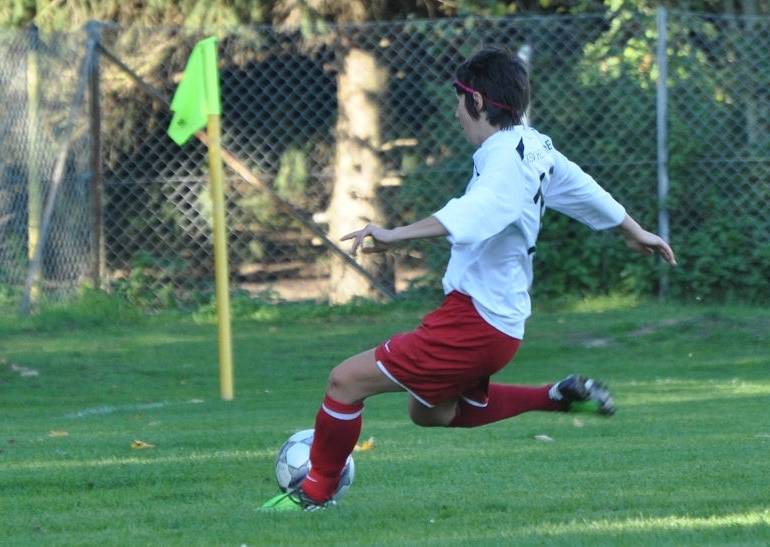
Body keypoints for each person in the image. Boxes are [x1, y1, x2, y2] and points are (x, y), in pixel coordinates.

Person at [261, 45, 676, 511]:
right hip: (500, 323)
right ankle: (557, 397)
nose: (456, 111)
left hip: (474, 321)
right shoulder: (532, 145)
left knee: (344, 382)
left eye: (459, 99)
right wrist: (633, 229)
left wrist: (394, 234)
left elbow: (479, 212)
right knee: (430, 412)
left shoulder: (503, 158)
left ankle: (314, 494)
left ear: (477, 101)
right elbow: (580, 184)